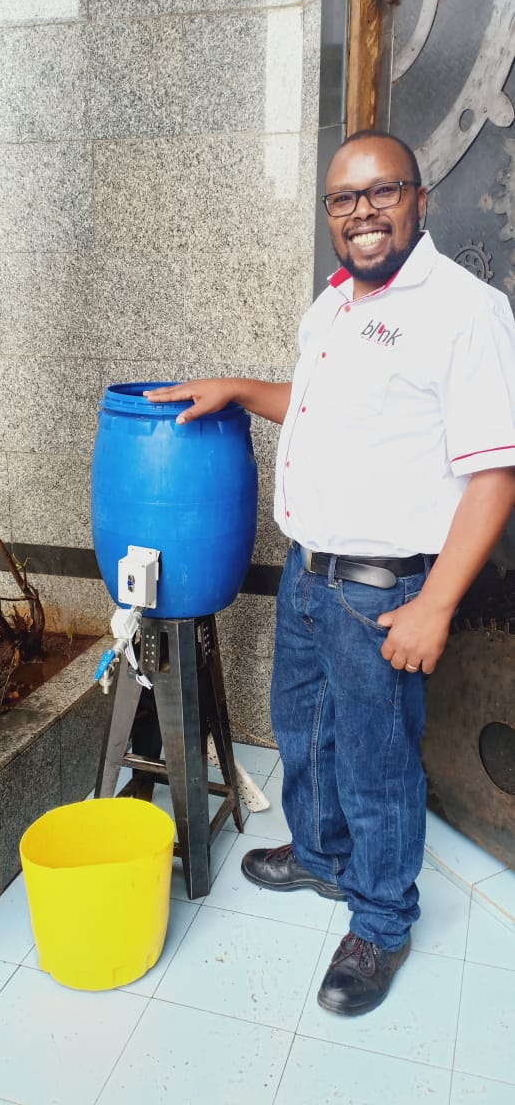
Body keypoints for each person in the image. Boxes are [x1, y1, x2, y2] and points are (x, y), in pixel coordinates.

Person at [144, 130, 515, 1016]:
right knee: (303, 732)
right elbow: (322, 413)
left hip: (383, 591)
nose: (362, 212)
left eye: (382, 192)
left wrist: (435, 604)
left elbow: (495, 474)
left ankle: (381, 922)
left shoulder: (464, 311)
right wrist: (242, 387)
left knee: (379, 762)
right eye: (344, 199)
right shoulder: (336, 303)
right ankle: (318, 854)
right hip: (311, 574)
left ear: (418, 200)